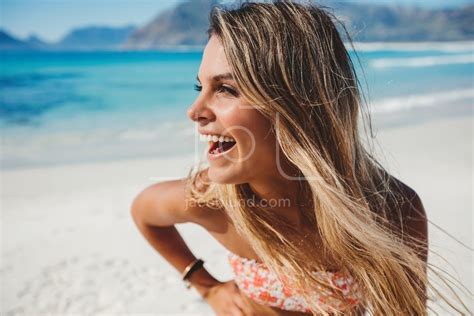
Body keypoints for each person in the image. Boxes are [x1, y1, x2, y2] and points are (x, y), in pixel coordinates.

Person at [131, 1, 469, 315]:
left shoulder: (387, 209)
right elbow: (144, 212)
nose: (195, 111)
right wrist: (207, 287)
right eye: (199, 88)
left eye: (226, 89)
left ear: (300, 105)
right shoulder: (214, 201)